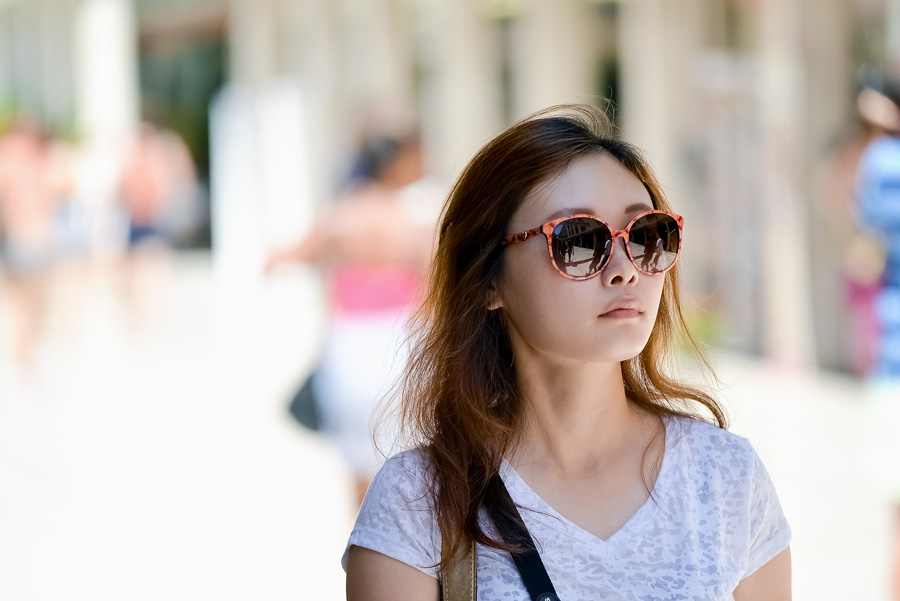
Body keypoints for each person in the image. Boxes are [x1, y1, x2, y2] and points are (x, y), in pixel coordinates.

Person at [343, 105, 792, 600]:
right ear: (488, 281)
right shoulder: (417, 502)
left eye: (647, 235)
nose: (625, 270)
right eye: (579, 240)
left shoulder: (725, 476)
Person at [266, 131, 437, 507]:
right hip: (400, 339)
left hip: (348, 342)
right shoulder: (413, 218)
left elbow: (283, 258)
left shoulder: (340, 216)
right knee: (403, 451)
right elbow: (434, 284)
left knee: (358, 458)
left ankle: (364, 534)